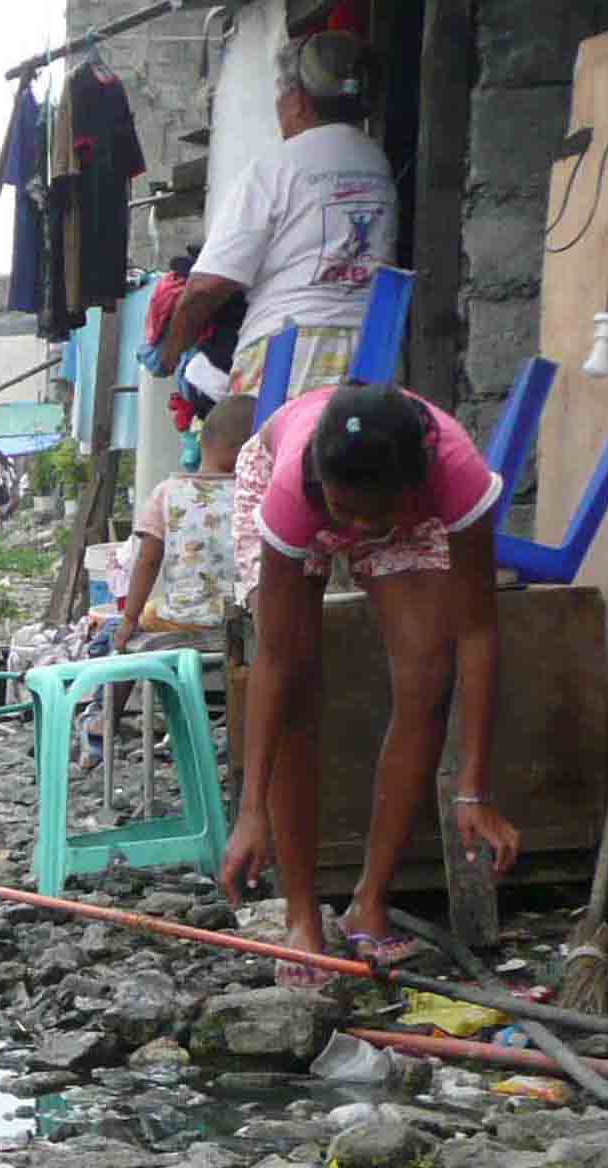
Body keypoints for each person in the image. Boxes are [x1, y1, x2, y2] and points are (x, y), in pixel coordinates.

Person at [220, 382, 519, 988]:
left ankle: (369, 903)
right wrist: (251, 814)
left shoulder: (457, 477)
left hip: (405, 511)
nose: (356, 529)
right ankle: (302, 916)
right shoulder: (291, 493)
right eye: (344, 514)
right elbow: (273, 660)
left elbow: (478, 632)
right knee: (299, 688)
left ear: (415, 485)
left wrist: (474, 789)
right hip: (291, 484)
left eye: (370, 516)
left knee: (427, 673)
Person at [155, 31, 394, 401]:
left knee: (271, 455)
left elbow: (207, 286)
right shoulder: (375, 162)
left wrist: (171, 351)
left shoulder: (277, 166)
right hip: (371, 356)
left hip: (291, 360)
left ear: (297, 101)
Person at [116, 396, 252, 647]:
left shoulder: (167, 493)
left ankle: (122, 685)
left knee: (129, 628)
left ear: (201, 441)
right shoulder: (253, 497)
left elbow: (148, 559)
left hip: (181, 621)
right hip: (246, 621)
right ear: (249, 452)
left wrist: (128, 618)